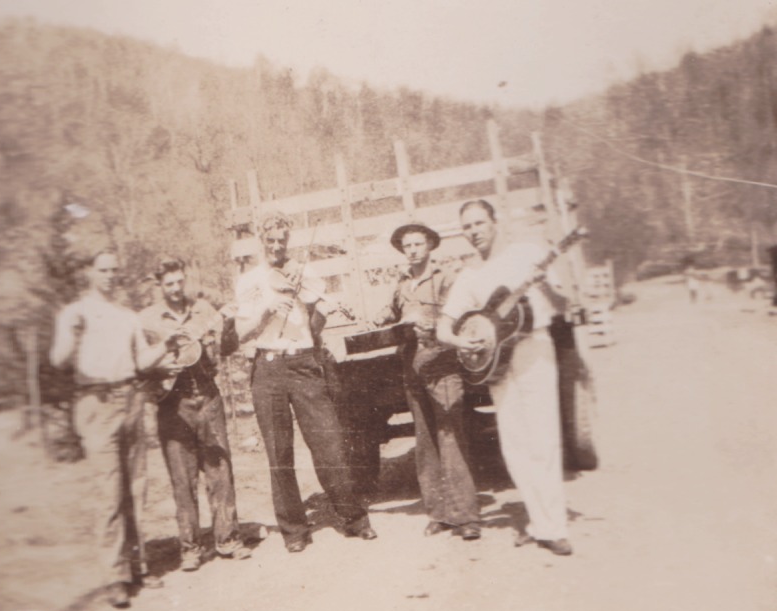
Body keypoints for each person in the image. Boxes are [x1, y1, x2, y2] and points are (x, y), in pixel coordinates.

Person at [436, 200, 574, 556]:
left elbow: (563, 305)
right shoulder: (468, 276)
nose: (475, 231)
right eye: (467, 226)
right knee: (514, 444)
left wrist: (543, 287)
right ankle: (536, 519)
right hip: (497, 361)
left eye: (480, 223)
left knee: (544, 438)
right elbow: (442, 328)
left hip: (534, 351)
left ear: (495, 222)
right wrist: (461, 340)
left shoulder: (528, 254)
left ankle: (552, 526)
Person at [235, 211, 376, 553]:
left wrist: (310, 302)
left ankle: (354, 518)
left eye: (282, 241)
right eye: (270, 241)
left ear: (289, 241)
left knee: (328, 443)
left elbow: (317, 322)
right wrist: (269, 309)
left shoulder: (305, 273)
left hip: (303, 363)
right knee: (279, 453)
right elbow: (241, 332)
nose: (276, 247)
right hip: (267, 367)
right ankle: (294, 531)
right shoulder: (250, 281)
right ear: (260, 242)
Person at [49, 250, 183, 608]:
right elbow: (58, 359)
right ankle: (115, 575)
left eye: (114, 270)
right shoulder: (75, 314)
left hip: (131, 399)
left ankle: (139, 565)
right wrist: (74, 338)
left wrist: (166, 345)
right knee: (110, 490)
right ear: (90, 273)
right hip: (96, 401)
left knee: (137, 487)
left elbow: (140, 361)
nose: (109, 276)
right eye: (103, 270)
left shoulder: (127, 317)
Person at [140, 258, 252, 572]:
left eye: (179, 282)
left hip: (208, 396)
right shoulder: (146, 320)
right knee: (182, 478)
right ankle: (190, 548)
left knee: (220, 471)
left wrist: (228, 322)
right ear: (159, 286)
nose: (176, 289)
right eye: (169, 284)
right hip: (172, 404)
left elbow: (228, 348)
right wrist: (162, 367)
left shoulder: (204, 311)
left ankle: (228, 539)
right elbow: (139, 363)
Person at [372, 223, 481, 540]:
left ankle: (467, 517)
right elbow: (391, 312)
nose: (413, 250)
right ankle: (438, 514)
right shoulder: (402, 282)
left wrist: (429, 323)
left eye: (419, 244)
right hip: (412, 366)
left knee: (451, 438)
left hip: (442, 365)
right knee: (425, 441)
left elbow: (460, 319)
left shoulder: (446, 279)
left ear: (431, 246)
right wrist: (379, 318)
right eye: (407, 245)